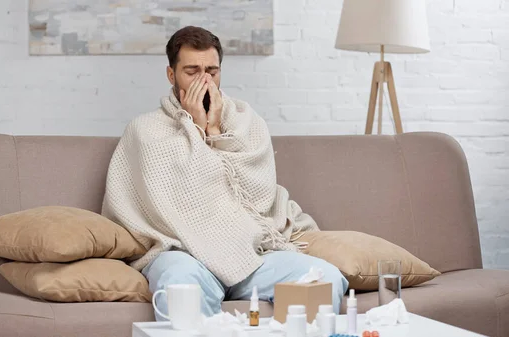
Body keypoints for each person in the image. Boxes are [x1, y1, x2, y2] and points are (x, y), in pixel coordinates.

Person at [101, 26, 348, 321]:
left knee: (324, 278)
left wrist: (214, 131)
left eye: (212, 71)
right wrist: (193, 127)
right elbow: (174, 202)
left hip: (251, 254)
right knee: (179, 283)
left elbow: (256, 196)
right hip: (184, 255)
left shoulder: (246, 122)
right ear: (171, 74)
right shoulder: (145, 130)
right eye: (192, 71)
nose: (204, 81)